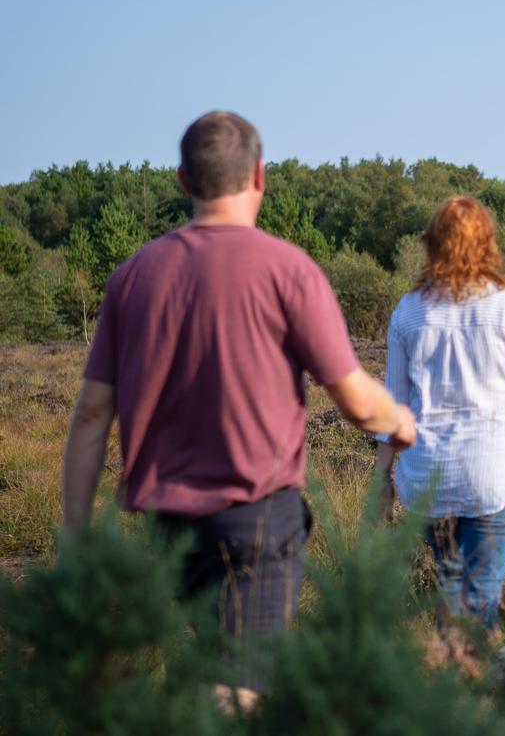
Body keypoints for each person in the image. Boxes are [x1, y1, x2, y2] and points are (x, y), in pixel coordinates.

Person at [61, 111, 416, 705]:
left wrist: (73, 536)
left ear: (183, 180)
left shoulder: (132, 277)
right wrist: (398, 420)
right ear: (259, 175)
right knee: (236, 691)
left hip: (166, 525)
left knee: (203, 670)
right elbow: (354, 398)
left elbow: (92, 414)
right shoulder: (288, 271)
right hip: (256, 520)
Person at [380, 195, 505, 631]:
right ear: (488, 243)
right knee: (480, 596)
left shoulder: (408, 312)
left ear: (432, 244)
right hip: (491, 476)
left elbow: (394, 406)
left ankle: (448, 676)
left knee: (450, 589)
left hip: (427, 479)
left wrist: (382, 479)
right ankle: (469, 684)